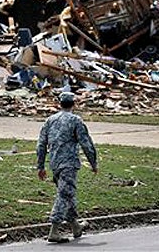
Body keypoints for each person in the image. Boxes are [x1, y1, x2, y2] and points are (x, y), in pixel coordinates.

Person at [36, 91, 98, 243]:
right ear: (74, 104)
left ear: (59, 104)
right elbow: (86, 143)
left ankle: (76, 226)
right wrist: (93, 162)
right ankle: (54, 231)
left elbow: (41, 144)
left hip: (54, 163)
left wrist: (40, 166)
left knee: (67, 193)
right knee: (64, 195)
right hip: (69, 164)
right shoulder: (76, 120)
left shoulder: (50, 120)